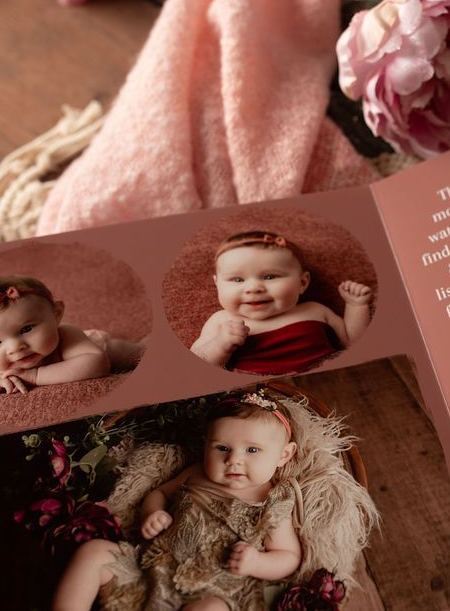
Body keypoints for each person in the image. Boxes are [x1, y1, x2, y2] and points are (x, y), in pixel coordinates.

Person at [54, 391, 303, 611]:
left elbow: (288, 556)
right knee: (94, 552)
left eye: (252, 450)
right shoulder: (196, 474)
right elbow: (159, 493)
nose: (233, 460)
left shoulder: (273, 500)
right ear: (206, 445)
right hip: (150, 569)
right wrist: (153, 513)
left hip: (212, 589)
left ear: (284, 454)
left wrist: (258, 563)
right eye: (222, 448)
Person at [191, 232, 372, 375]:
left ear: (302, 283)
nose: (254, 288)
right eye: (237, 279)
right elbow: (196, 365)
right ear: (217, 284)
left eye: (270, 276)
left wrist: (356, 305)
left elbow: (354, 343)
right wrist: (219, 345)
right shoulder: (221, 321)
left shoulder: (315, 310)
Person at [0, 275, 143, 402]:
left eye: (26, 328)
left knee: (135, 354)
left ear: (56, 314)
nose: (15, 347)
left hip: (97, 346)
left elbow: (97, 363)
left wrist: (34, 376)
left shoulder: (67, 335)